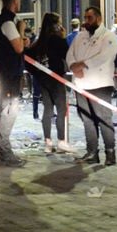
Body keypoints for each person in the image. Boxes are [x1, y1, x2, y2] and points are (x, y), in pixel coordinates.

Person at [66, 6, 117, 165]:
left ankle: (110, 153)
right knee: (87, 120)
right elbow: (70, 54)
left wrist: (83, 65)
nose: (86, 21)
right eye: (85, 17)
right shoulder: (80, 36)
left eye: (89, 18)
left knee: (104, 120)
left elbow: (104, 57)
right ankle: (92, 152)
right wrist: (73, 66)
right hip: (81, 85)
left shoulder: (108, 36)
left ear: (98, 18)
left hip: (100, 85)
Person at [24, 12, 75, 154]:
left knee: (47, 110)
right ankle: (61, 141)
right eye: (58, 23)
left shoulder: (38, 42)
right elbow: (68, 55)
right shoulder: (57, 40)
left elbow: (27, 59)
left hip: (43, 81)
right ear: (55, 25)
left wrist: (38, 74)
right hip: (57, 79)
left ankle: (48, 142)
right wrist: (63, 37)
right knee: (61, 110)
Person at [0, 0, 29, 167]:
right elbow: (19, 48)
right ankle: (5, 151)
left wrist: (22, 39)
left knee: (9, 109)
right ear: (14, 2)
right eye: (19, 1)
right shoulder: (8, 22)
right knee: (9, 111)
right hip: (9, 74)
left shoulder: (5, 21)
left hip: (9, 72)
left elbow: (19, 43)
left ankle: (5, 149)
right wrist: (21, 31)